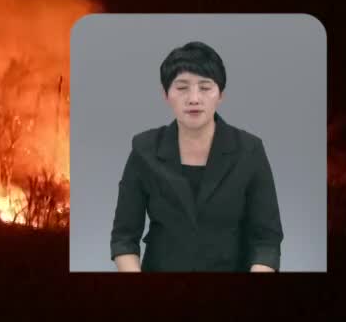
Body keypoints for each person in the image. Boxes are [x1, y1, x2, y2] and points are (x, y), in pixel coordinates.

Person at [109, 41, 283, 271]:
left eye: (205, 87)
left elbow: (267, 240)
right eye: (182, 87)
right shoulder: (144, 149)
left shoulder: (249, 150)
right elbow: (124, 237)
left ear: (220, 94)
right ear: (165, 94)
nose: (193, 98)